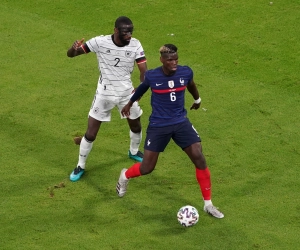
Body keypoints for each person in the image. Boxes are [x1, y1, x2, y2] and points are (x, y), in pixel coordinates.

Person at [116, 44, 224, 219]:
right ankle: (125, 175)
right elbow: (142, 89)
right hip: (159, 125)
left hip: (181, 122)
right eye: (170, 60)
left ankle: (208, 205)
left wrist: (197, 99)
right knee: (147, 167)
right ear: (162, 60)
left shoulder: (186, 72)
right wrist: (129, 104)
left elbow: (191, 84)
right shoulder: (152, 76)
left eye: (176, 59)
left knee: (199, 156)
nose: (174, 63)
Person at [67, 16, 147, 182]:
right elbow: (72, 55)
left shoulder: (135, 44)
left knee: (136, 124)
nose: (129, 35)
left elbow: (143, 70)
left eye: (131, 32)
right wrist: (73, 48)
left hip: (127, 94)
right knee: (91, 133)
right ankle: (80, 165)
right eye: (125, 32)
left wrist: (140, 90)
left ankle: (133, 151)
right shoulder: (99, 42)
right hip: (104, 94)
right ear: (116, 30)